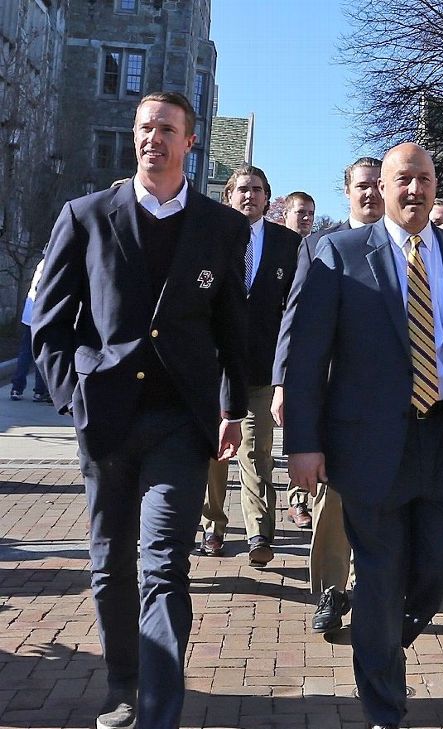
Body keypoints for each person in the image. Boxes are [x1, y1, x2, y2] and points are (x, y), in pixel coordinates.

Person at [32, 90, 248, 729]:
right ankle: (123, 684)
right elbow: (50, 324)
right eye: (145, 128)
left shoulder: (221, 227)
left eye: (167, 129)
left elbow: (233, 327)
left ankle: (158, 709)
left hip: (181, 422)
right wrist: (74, 396)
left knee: (164, 563)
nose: (153, 137)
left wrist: (233, 406)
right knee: (110, 564)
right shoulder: (87, 216)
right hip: (107, 420)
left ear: (190, 142)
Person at [282, 143, 443, 728]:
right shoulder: (338, 252)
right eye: (403, 180)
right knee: (382, 572)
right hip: (370, 443)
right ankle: (384, 702)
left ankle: (380, 637)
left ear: (439, 187)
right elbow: (308, 357)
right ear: (381, 188)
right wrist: (304, 445)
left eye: (425, 179)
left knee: (439, 565)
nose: (415, 190)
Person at [271, 155, 385, 634]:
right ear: (347, 191)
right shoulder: (320, 245)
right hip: (335, 396)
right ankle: (330, 593)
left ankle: (366, 587)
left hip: (386, 398)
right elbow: (294, 319)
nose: (372, 194)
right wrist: (282, 382)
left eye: (379, 185)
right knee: (332, 504)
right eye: (362, 186)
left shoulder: (408, 247)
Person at [199, 164, 300, 566]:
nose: (250, 196)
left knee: (257, 454)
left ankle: (260, 533)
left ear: (267, 198)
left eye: (258, 189)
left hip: (261, 368)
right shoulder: (208, 238)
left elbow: (294, 307)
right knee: (215, 454)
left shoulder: (287, 244)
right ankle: (214, 526)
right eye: (242, 189)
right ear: (228, 196)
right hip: (214, 367)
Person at [10, 259, 50, 403]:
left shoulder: (42, 262)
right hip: (43, 314)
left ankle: (17, 388)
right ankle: (39, 392)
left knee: (25, 352)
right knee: (41, 353)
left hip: (30, 314)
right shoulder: (53, 258)